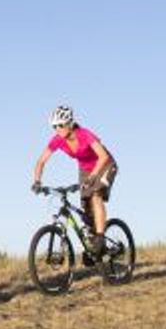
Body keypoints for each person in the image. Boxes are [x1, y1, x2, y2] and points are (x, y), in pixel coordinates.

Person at [31, 105, 117, 251]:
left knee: (96, 196)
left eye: (60, 125)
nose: (57, 129)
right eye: (54, 126)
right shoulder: (57, 139)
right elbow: (41, 161)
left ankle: (101, 238)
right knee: (86, 207)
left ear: (70, 123)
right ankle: (93, 248)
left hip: (105, 165)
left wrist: (93, 175)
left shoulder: (85, 134)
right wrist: (37, 181)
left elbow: (103, 156)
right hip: (85, 168)